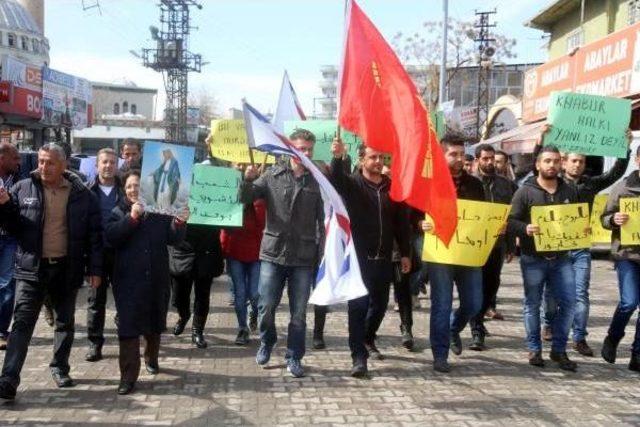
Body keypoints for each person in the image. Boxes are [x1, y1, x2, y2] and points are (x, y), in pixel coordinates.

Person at [0, 143, 102, 401]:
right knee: (22, 324)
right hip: (30, 270)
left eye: (50, 162)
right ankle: (8, 378)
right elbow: (11, 227)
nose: (44, 167)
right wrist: (4, 207)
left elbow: (94, 236)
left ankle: (60, 368)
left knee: (64, 323)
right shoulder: (23, 188)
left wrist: (95, 269)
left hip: (66, 269)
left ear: (64, 165)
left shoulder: (83, 195)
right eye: (42, 161)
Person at [239, 129, 324, 378]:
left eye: (309, 148)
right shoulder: (272, 174)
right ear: (290, 148)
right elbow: (244, 199)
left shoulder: (317, 180)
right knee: (265, 306)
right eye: (300, 148)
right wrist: (247, 179)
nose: (305, 153)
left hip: (303, 257)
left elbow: (324, 219)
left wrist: (323, 254)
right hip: (273, 253)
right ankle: (267, 341)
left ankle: (295, 356)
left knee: (298, 314)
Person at [540, 126, 631, 356]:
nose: (577, 165)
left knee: (581, 293)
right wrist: (542, 140)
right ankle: (548, 323)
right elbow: (537, 165)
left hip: (580, 248)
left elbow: (614, 174)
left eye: (581, 161)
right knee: (551, 294)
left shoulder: (590, 184)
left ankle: (579, 337)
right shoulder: (553, 182)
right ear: (564, 163)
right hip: (555, 247)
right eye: (573, 161)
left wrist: (625, 146)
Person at [330, 140, 411, 377]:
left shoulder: (393, 189)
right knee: (358, 307)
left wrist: (406, 253)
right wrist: (337, 158)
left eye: (381, 158)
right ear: (362, 160)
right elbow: (336, 180)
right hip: (358, 259)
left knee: (380, 305)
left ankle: (367, 337)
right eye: (373, 157)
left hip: (384, 258)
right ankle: (358, 356)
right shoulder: (352, 184)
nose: (378, 162)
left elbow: (402, 225)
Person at [105, 170, 187, 395]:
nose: (133, 190)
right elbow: (111, 236)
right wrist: (131, 218)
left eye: (138, 186)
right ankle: (128, 377)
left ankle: (152, 357)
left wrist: (179, 222)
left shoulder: (160, 210)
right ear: (124, 189)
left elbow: (174, 239)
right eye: (130, 186)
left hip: (157, 279)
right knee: (129, 329)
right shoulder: (118, 211)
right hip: (128, 281)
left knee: (154, 324)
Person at [508, 145, 579, 372]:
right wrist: (525, 228)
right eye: (547, 161)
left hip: (561, 258)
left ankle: (559, 350)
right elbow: (510, 221)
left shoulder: (569, 191)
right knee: (532, 304)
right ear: (538, 164)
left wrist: (581, 230)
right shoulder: (525, 192)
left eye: (556, 161)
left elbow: (577, 219)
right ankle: (534, 349)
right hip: (533, 258)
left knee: (569, 303)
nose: (552, 165)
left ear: (561, 164)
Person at [420, 135, 485, 373]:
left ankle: (453, 328)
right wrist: (421, 224)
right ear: (442, 155)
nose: (459, 159)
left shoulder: (475, 185)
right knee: (441, 303)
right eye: (453, 154)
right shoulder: (429, 182)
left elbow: (483, 216)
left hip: (468, 253)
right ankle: (440, 354)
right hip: (441, 253)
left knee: (474, 302)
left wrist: (495, 226)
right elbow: (412, 214)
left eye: (462, 154)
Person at [468, 144, 517, 351]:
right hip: (471, 244)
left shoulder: (506, 185)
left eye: (492, 159)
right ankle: (476, 327)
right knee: (474, 286)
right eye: (485, 159)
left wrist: (510, 242)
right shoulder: (470, 184)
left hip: (496, 244)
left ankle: (479, 316)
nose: (489, 162)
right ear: (478, 160)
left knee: (492, 284)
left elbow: (513, 214)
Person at [600, 145, 640, 372]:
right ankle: (613, 337)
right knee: (629, 301)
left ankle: (637, 354)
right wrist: (614, 219)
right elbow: (603, 218)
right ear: (637, 159)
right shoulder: (623, 187)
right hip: (627, 254)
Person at [85, 148, 124, 362]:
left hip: (121, 254)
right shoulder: (86, 191)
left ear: (116, 165)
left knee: (124, 300)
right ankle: (94, 344)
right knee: (95, 302)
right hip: (96, 254)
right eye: (104, 162)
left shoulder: (125, 191)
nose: (108, 166)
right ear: (97, 165)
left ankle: (127, 339)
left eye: (112, 162)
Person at [169, 223, 224, 349]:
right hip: (182, 248)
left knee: (202, 295)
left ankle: (197, 331)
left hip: (207, 248)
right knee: (178, 296)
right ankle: (184, 315)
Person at [220, 193, 265, 346]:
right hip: (235, 255)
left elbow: (262, 225)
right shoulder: (232, 207)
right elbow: (225, 229)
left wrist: (255, 205)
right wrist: (223, 250)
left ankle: (254, 313)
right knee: (239, 295)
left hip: (255, 255)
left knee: (254, 293)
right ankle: (242, 329)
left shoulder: (259, 204)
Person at [0, 143, 20, 351]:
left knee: (6, 286)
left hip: (9, 239)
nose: (18, 162)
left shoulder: (17, 180)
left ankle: (1, 331)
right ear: (2, 158)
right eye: (14, 158)